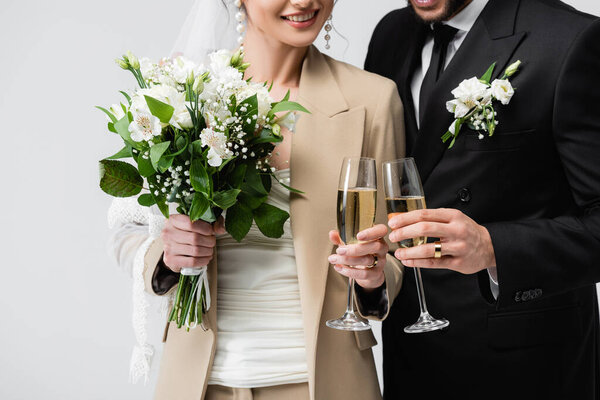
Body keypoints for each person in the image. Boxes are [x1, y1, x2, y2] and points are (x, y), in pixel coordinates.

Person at [109, 0, 405, 399]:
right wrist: (168, 255)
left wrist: (372, 276)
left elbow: (395, 252)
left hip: (325, 384)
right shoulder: (184, 92)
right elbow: (127, 227)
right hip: (200, 383)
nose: (304, 2)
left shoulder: (373, 99)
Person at [359, 0, 600, 399]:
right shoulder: (392, 34)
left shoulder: (570, 40)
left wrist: (493, 248)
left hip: (524, 366)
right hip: (412, 358)